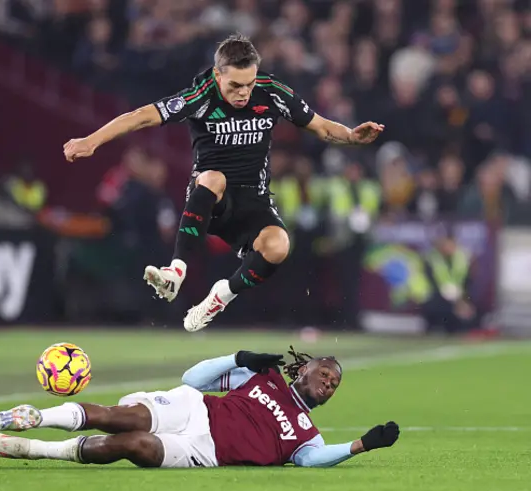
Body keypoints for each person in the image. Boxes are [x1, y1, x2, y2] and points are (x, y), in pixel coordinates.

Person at [63, 34, 384, 331]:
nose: (243, 92)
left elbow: (320, 125)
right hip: (211, 197)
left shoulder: (272, 92)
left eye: (248, 83)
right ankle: (176, 271)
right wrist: (92, 141)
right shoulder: (202, 94)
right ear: (218, 75)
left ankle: (221, 296)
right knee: (214, 177)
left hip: (254, 201)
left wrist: (351, 136)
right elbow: (143, 115)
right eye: (234, 85)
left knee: (279, 246)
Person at [0, 347, 400, 468]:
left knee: (135, 445)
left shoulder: (306, 435)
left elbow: (314, 461)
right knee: (127, 417)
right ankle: (38, 416)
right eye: (325, 372)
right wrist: (237, 359)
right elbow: (193, 378)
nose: (329, 382)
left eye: (335, 383)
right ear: (303, 368)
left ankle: (34, 449)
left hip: (206, 453)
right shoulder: (263, 377)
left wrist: (361, 444)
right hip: (196, 409)